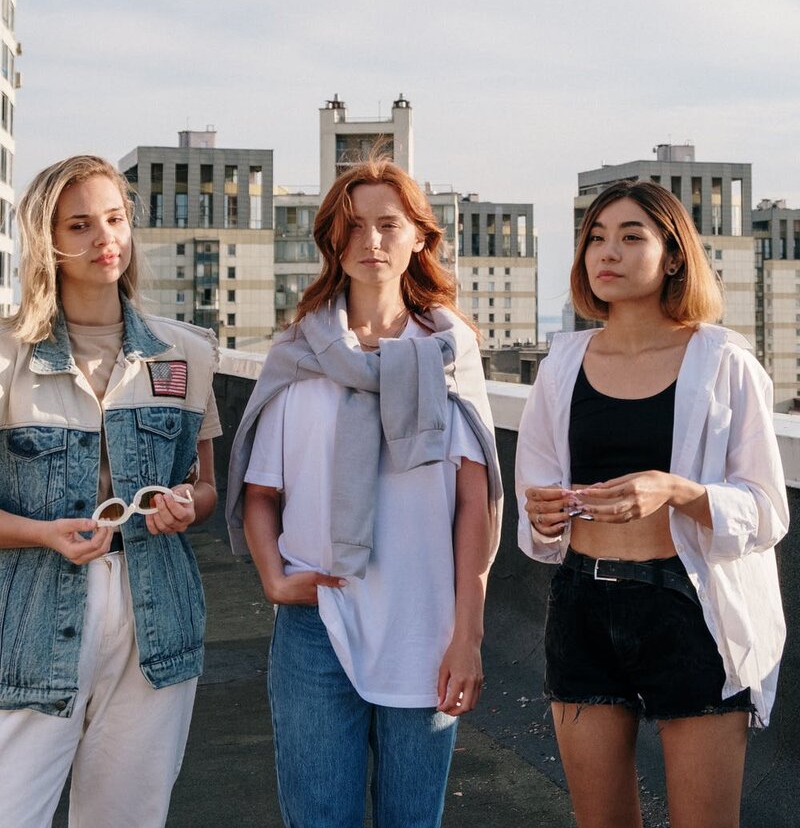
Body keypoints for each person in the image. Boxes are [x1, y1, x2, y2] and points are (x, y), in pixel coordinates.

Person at [227, 157, 503, 828]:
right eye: (353, 227)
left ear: (418, 239)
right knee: (320, 818)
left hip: (425, 625)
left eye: (388, 225)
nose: (370, 242)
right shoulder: (298, 350)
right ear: (331, 240)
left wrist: (468, 633)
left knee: (413, 820)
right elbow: (260, 491)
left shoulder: (450, 349)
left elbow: (478, 500)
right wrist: (272, 577)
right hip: (316, 623)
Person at [515, 179, 788, 828]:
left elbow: (769, 509)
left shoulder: (724, 360)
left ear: (673, 256)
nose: (606, 252)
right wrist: (544, 514)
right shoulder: (561, 364)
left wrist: (676, 490)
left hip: (685, 608)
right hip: (581, 604)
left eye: (631, 236)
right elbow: (537, 500)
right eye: (595, 239)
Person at [0, 156, 220, 828]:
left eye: (115, 218)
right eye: (81, 223)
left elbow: (206, 486)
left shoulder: (187, 354)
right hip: (30, 620)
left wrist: (187, 507)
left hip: (156, 620)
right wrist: (43, 534)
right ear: (49, 242)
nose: (106, 238)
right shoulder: (7, 355)